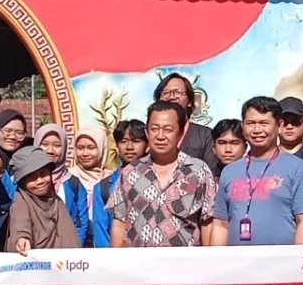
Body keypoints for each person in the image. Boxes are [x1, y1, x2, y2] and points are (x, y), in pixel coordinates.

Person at [208, 97, 303, 246]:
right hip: (237, 264)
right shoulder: (229, 171)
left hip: (280, 264)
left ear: (279, 125)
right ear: (243, 126)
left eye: (264, 123)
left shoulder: (298, 168)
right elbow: (221, 224)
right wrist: (218, 263)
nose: (257, 130)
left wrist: (297, 263)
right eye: (251, 123)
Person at [109, 101, 216, 248]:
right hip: (138, 266)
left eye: (168, 129)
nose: (160, 136)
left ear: (180, 133)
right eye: (154, 129)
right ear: (147, 132)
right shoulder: (129, 172)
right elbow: (120, 222)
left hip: (184, 265)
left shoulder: (198, 171)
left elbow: (207, 221)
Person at [8, 148, 81, 252]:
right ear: (22, 181)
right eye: (31, 177)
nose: (39, 181)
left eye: (43, 173)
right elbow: (20, 222)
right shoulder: (22, 202)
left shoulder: (56, 201)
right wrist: (22, 238)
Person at [90, 120, 146, 249]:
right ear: (116, 146)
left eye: (136, 141)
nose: (129, 147)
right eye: (123, 141)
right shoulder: (103, 187)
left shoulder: (158, 180)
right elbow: (101, 233)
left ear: (147, 145)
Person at [155, 72, 220, 173]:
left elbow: (210, 174)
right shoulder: (150, 134)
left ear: (190, 102)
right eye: (166, 92)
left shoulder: (205, 135)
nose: (172, 97)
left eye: (178, 92)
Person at [62, 124, 109, 245]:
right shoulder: (67, 178)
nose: (85, 153)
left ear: (102, 148)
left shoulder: (112, 179)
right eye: (80, 148)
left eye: (91, 148)